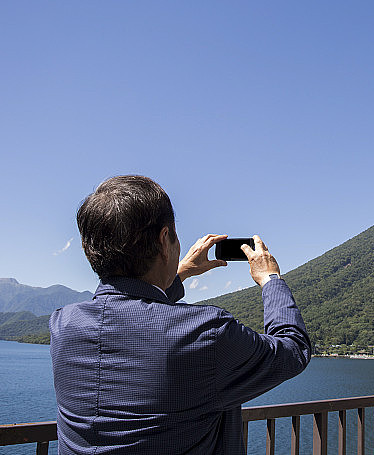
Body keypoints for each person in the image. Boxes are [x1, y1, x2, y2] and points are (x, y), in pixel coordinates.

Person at [50, 175, 311, 455]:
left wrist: (180, 272)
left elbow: (136, 309)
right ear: (165, 239)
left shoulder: (64, 325)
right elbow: (292, 350)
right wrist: (271, 279)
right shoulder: (205, 333)